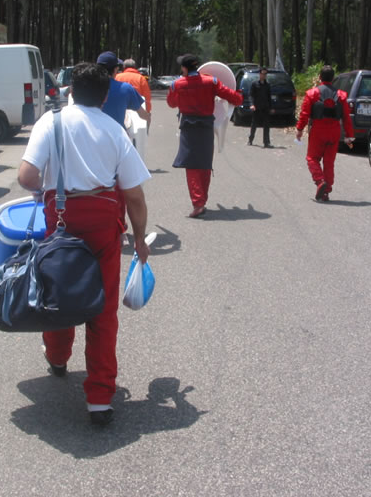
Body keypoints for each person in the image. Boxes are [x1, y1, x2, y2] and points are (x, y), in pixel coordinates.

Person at [17, 62, 151, 426]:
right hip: (103, 224)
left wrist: (51, 186)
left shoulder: (51, 122)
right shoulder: (114, 130)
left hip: (59, 221)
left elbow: (26, 176)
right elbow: (135, 196)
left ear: (70, 91)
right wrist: (139, 239)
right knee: (103, 310)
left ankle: (58, 357)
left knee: (59, 291)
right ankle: (99, 398)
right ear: (106, 96)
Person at [167, 53, 243, 218]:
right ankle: (202, 200)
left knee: (191, 164)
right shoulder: (212, 82)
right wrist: (240, 95)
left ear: (185, 68)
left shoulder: (177, 85)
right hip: (206, 126)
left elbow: (171, 103)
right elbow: (233, 98)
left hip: (188, 127)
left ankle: (198, 203)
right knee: (204, 163)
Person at [295, 65, 355, 202]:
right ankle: (326, 191)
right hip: (334, 131)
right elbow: (346, 117)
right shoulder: (341, 95)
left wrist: (299, 130)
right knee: (329, 162)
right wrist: (349, 136)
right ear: (333, 78)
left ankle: (320, 181)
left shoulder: (312, 94)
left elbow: (304, 114)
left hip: (318, 130)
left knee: (312, 158)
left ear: (320, 77)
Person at [97, 51, 151, 129]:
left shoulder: (87, 88)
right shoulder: (126, 88)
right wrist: (148, 116)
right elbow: (142, 113)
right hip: (117, 135)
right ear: (115, 69)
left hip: (92, 136)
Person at [248, 67, 274, 147]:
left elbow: (269, 97)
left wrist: (271, 107)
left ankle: (266, 142)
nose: (264, 75)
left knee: (266, 125)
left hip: (265, 107)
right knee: (254, 124)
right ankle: (250, 140)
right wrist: (252, 104)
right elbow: (251, 95)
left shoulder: (268, 85)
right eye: (262, 73)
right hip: (257, 107)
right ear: (259, 74)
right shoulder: (254, 84)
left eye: (265, 74)